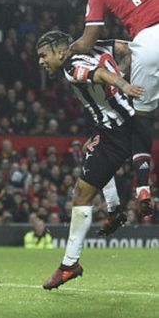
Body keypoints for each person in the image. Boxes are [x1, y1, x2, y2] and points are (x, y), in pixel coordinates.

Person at [36, 30, 143, 289]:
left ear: (60, 52)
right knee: (90, 150)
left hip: (116, 129)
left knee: (81, 196)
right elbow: (127, 48)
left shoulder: (71, 67)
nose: (41, 61)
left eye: (43, 55)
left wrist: (121, 83)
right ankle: (115, 209)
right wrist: (125, 75)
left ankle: (69, 264)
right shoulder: (97, 45)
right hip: (119, 123)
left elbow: (98, 75)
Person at [70, 0, 159, 219]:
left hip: (148, 42)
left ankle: (143, 187)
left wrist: (66, 50)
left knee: (140, 117)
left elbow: (87, 43)